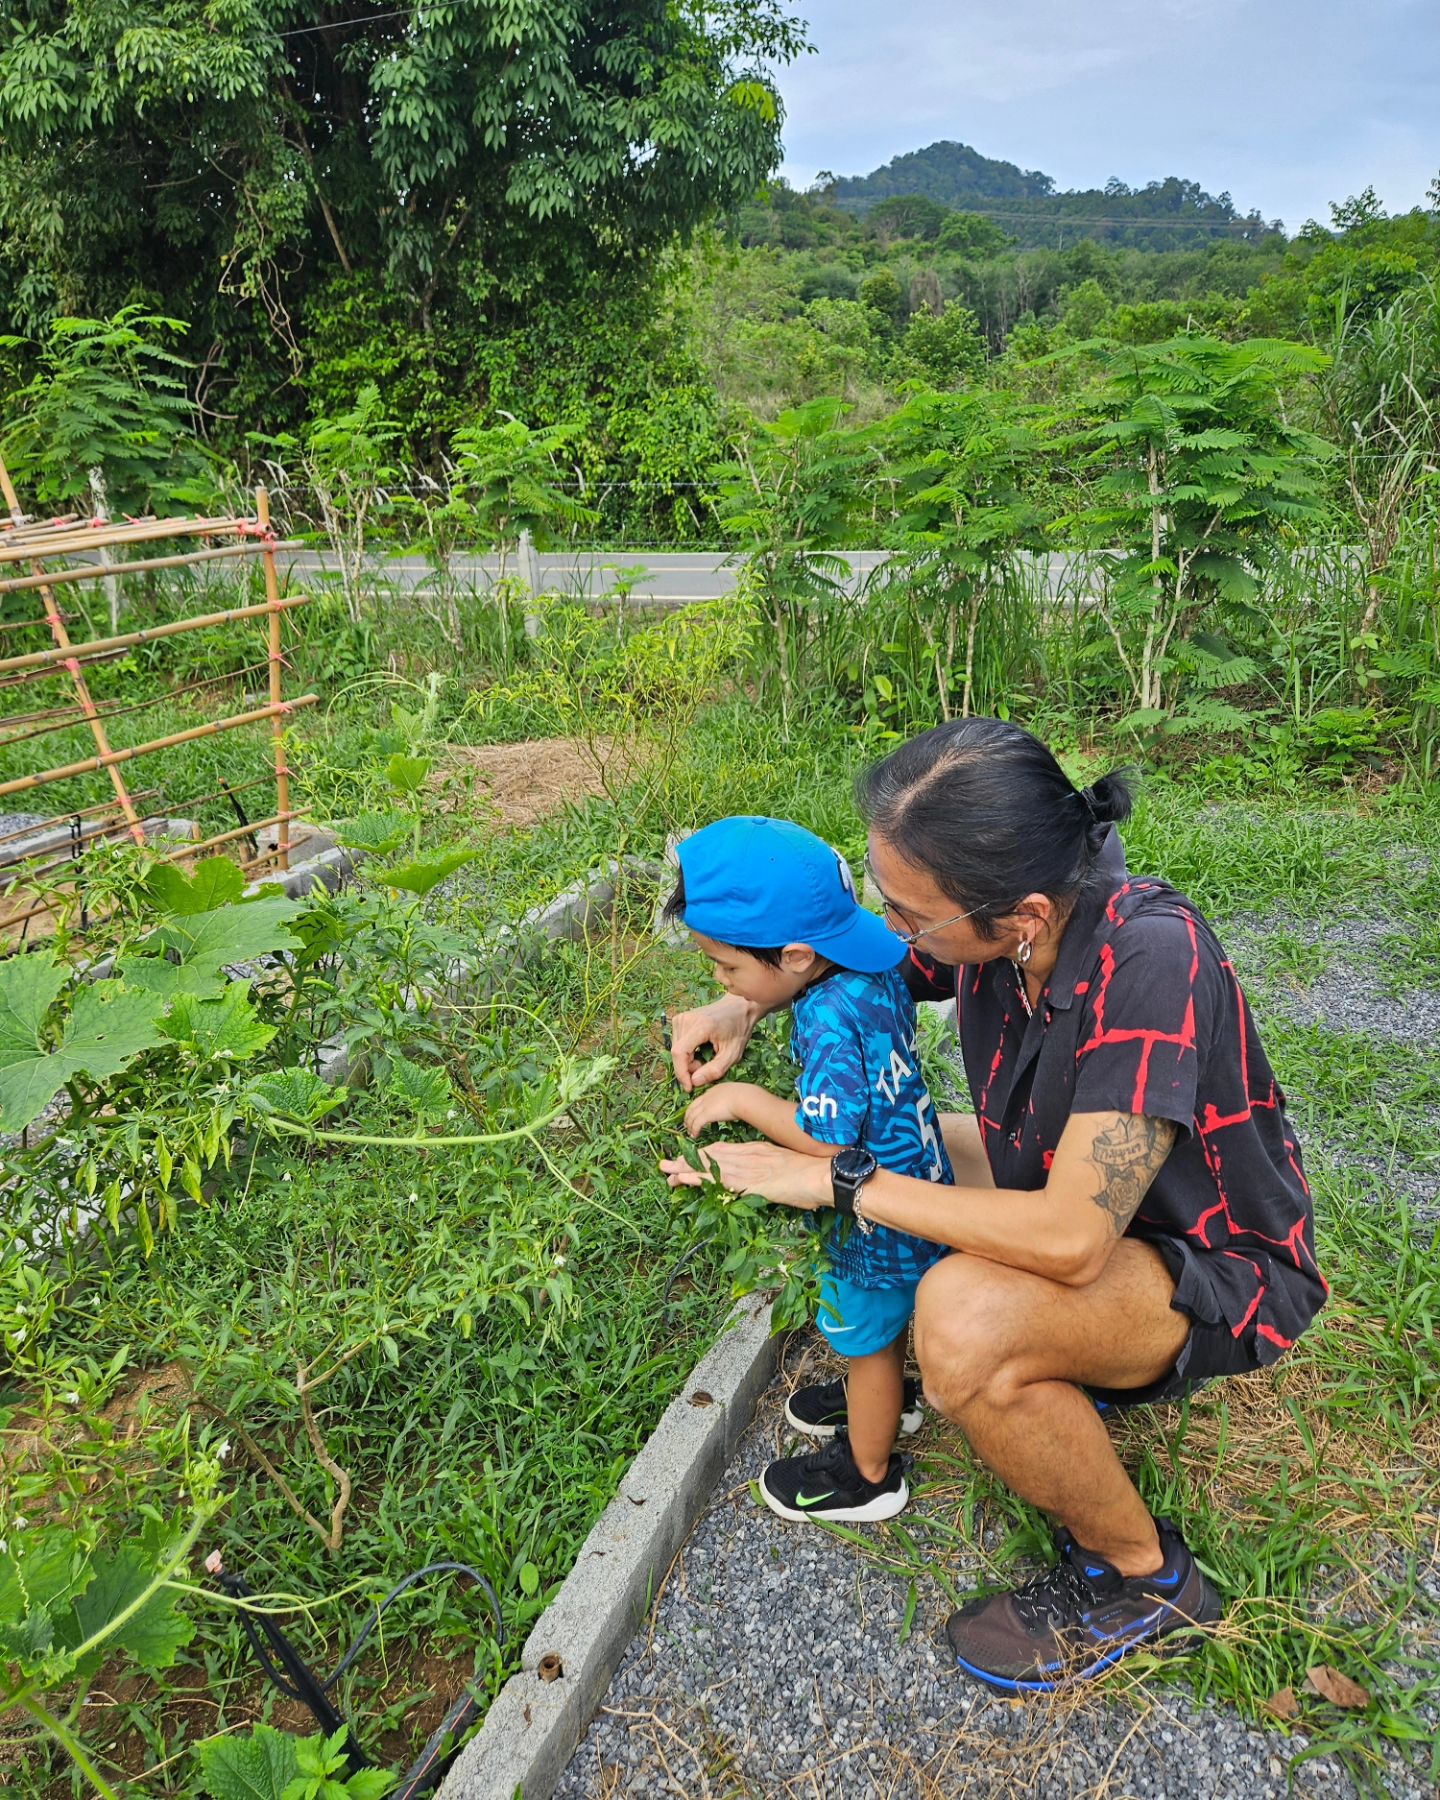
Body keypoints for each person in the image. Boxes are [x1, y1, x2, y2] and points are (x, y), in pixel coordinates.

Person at [662, 719, 1326, 1692]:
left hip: (1207, 1264)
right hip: (1073, 1188)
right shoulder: (1007, 914)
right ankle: (899, 1382)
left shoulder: (1149, 960)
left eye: (907, 910)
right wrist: (743, 1002)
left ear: (1015, 918)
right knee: (924, 1139)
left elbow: (1068, 1238)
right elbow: (866, 959)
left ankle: (1146, 1577)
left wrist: (838, 1181)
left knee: (960, 1322)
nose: (891, 926)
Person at [665, 815, 955, 1524]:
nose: (720, 980)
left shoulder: (823, 1017)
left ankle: (869, 1471)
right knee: (880, 1325)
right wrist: (744, 1000)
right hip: (918, 1172)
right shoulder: (873, 961)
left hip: (873, 1209)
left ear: (795, 956)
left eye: (728, 966)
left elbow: (827, 1139)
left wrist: (743, 1098)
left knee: (868, 1333)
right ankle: (884, 1397)